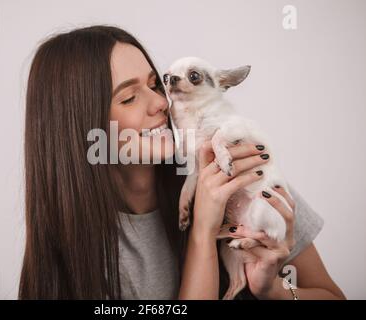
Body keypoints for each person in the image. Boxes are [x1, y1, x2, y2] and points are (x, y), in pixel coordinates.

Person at [19, 25, 345, 300]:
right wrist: (202, 233)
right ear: (82, 127)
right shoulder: (74, 246)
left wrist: (272, 289)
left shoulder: (236, 171)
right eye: (129, 97)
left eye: (154, 83)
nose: (161, 102)